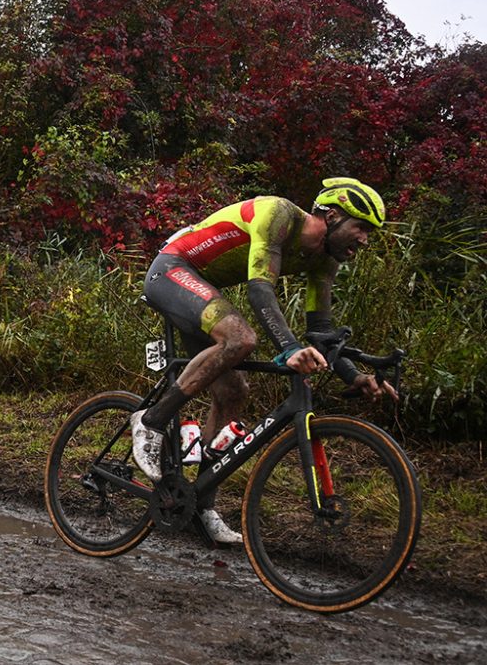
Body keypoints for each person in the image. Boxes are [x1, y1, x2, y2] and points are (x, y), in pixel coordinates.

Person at [132, 177, 399, 544]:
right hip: (173, 271)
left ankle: (200, 505)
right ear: (333, 216)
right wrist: (289, 349)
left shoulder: (324, 262)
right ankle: (151, 421)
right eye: (362, 227)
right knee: (240, 339)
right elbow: (260, 291)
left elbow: (320, 329)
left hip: (203, 290)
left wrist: (353, 376)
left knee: (234, 391)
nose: (365, 239)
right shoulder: (278, 215)